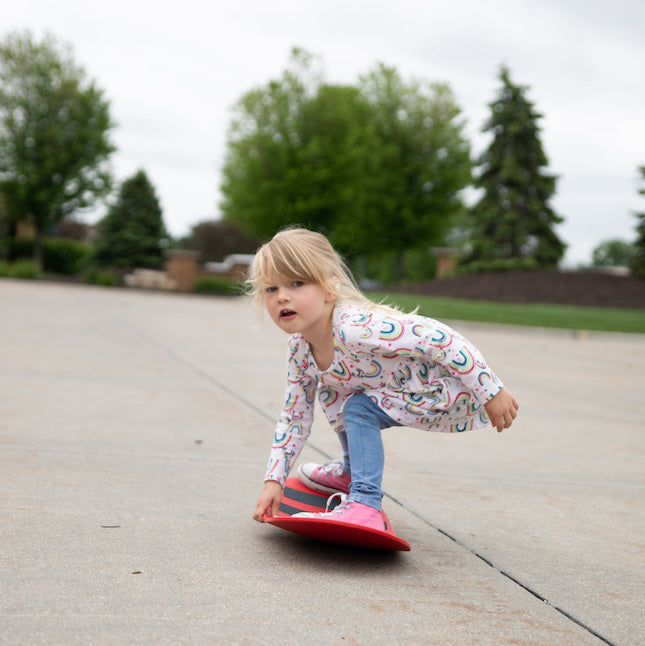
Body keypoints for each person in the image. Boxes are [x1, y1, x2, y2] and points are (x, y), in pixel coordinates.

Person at [251, 227, 519, 530]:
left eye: (296, 283)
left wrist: (490, 389)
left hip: (441, 388)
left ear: (329, 288)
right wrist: (274, 480)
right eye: (271, 289)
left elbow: (441, 338)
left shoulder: (357, 328)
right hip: (393, 391)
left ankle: (365, 503)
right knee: (336, 394)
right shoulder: (299, 349)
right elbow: (294, 417)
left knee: (357, 408)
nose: (282, 296)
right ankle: (353, 472)